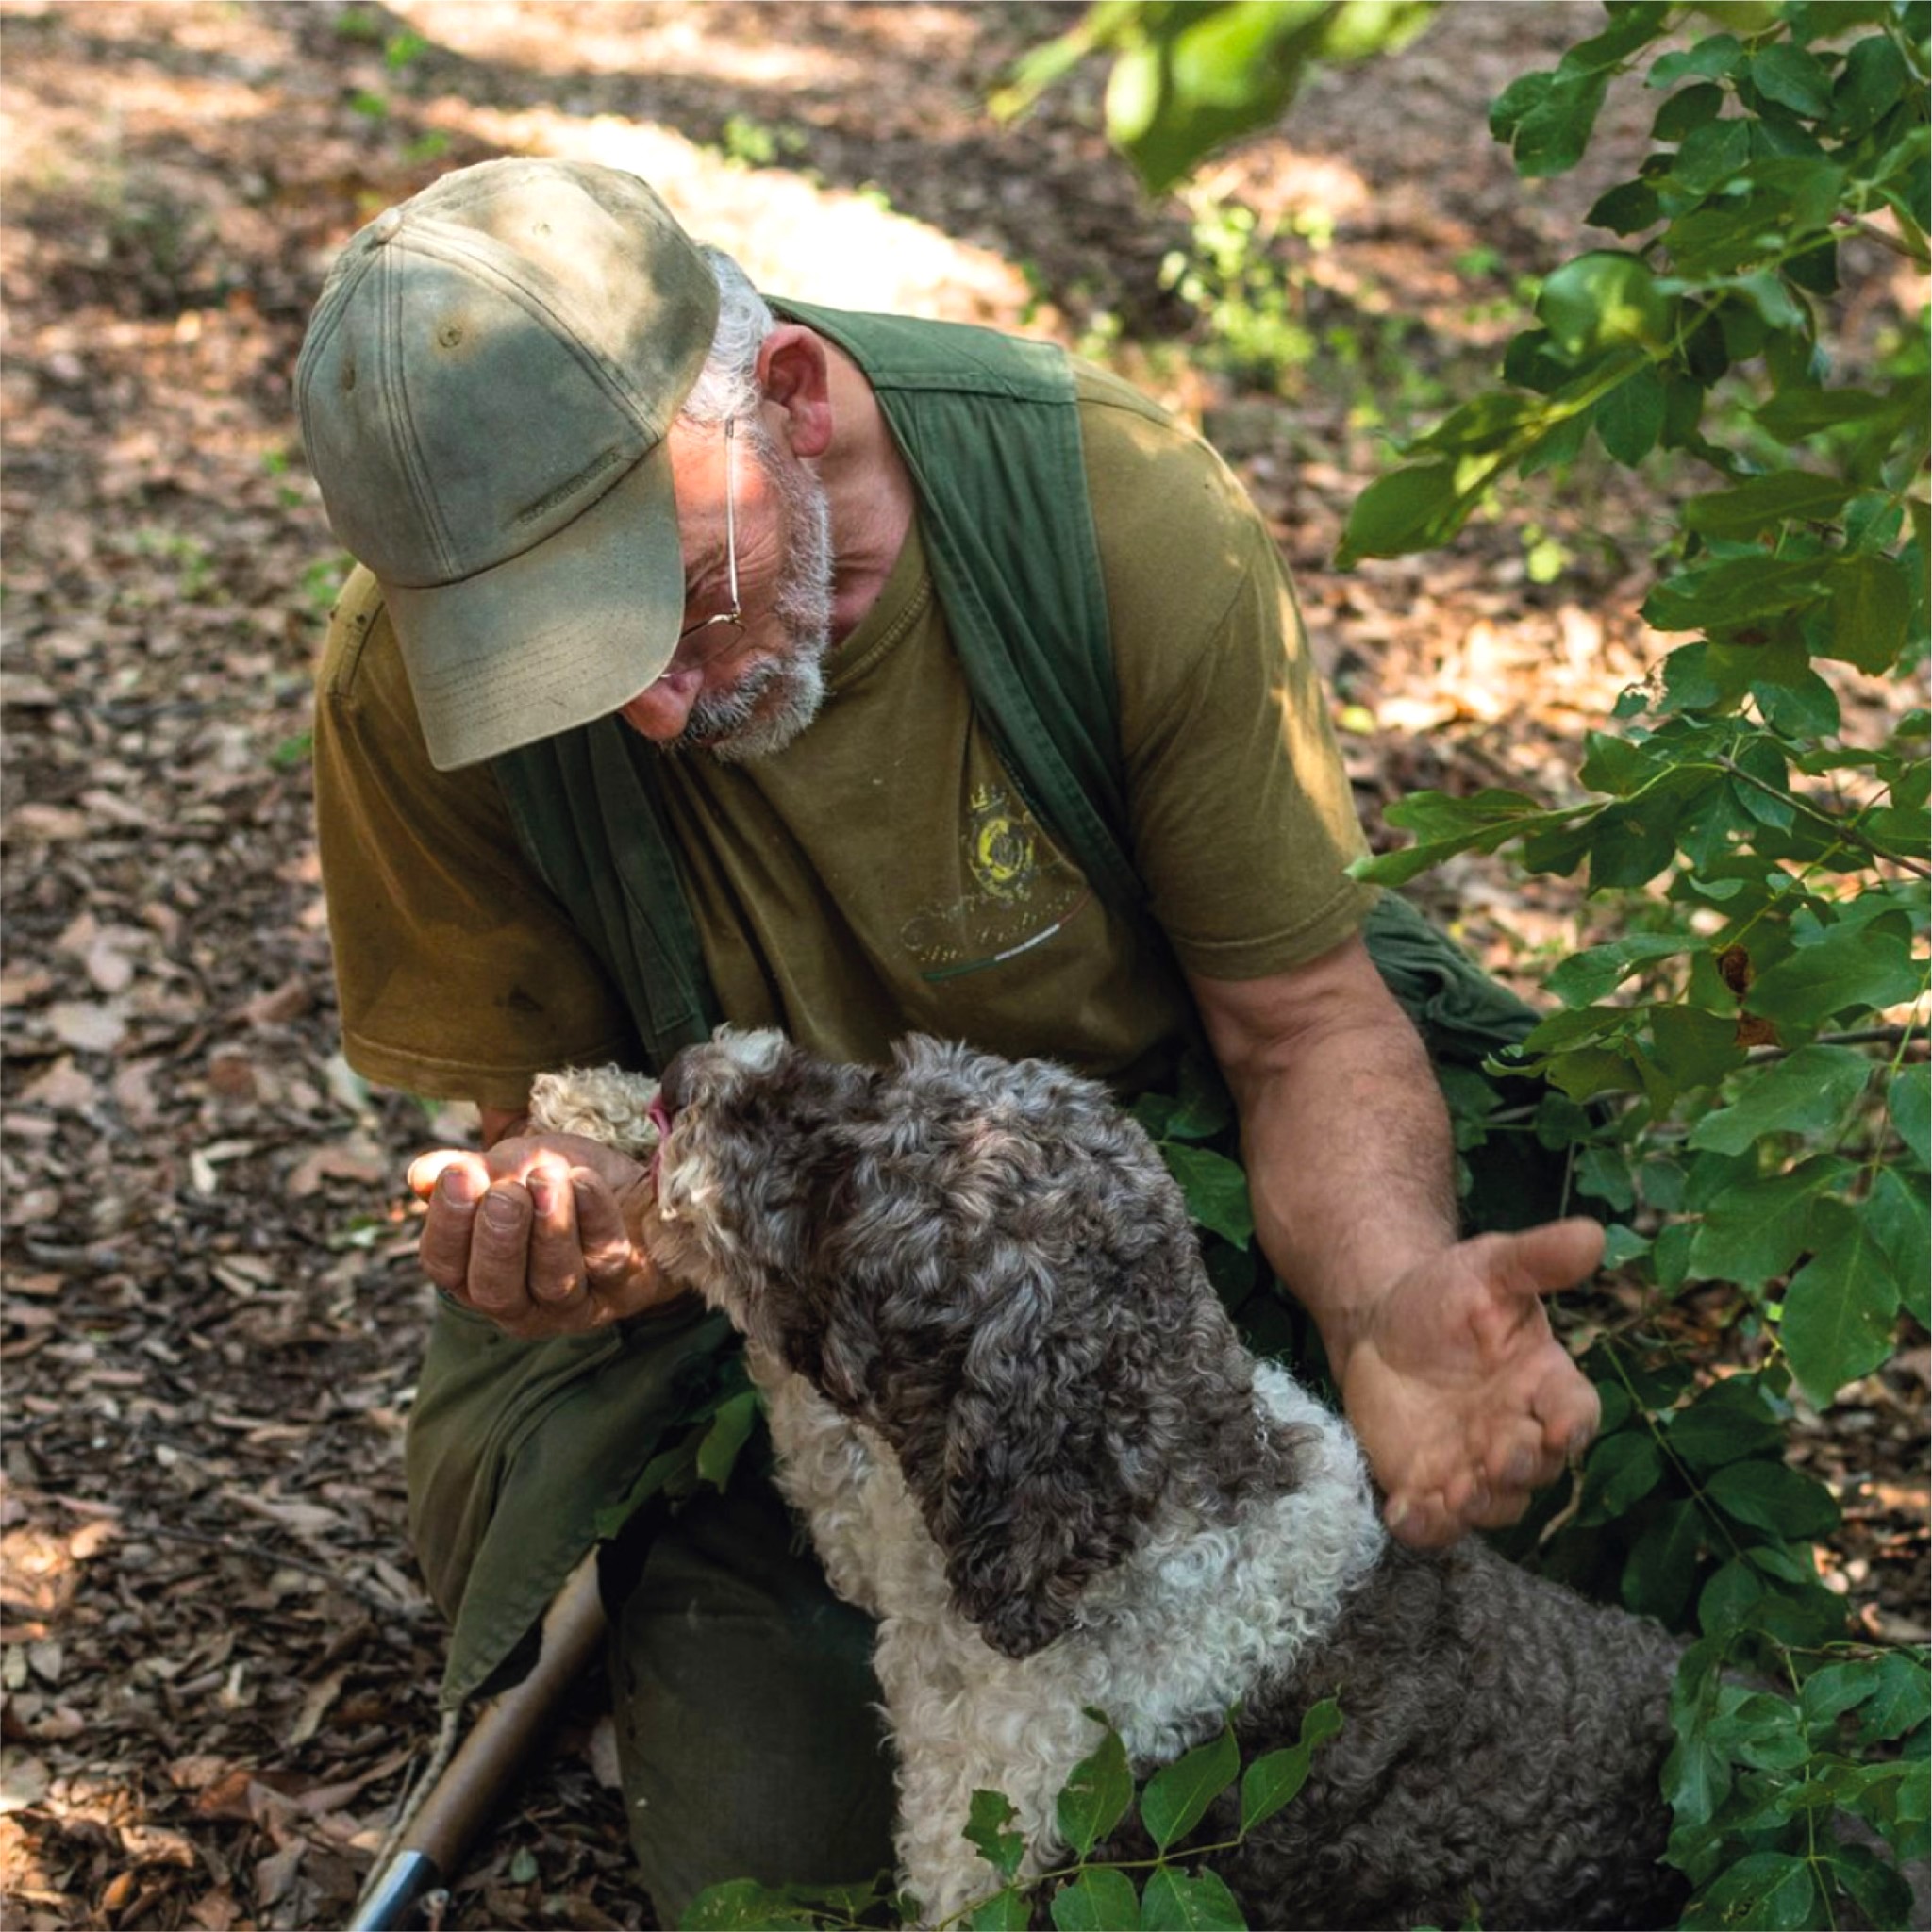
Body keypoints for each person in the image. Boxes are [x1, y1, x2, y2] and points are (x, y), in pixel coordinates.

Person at [298, 157, 1605, 1917]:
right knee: (810, 1869)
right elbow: (545, 1099)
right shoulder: (404, 685)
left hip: (1154, 1204)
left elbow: (1300, 1029)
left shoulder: (1111, 510)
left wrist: (1380, 1306)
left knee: (1554, 1693)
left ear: (791, 397)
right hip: (766, 1276)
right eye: (564, 664)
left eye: (674, 595)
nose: (657, 708)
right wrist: (580, 1203)